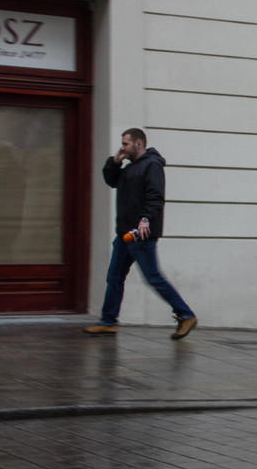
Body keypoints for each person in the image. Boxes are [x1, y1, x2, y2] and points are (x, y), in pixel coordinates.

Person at [84, 128, 197, 340]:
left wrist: (145, 218)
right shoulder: (129, 168)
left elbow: (156, 196)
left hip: (140, 233)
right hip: (125, 234)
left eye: (125, 144)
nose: (122, 147)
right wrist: (115, 161)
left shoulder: (152, 165)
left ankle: (186, 314)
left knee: (153, 277)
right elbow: (111, 180)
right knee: (114, 277)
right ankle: (108, 322)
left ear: (138, 144)